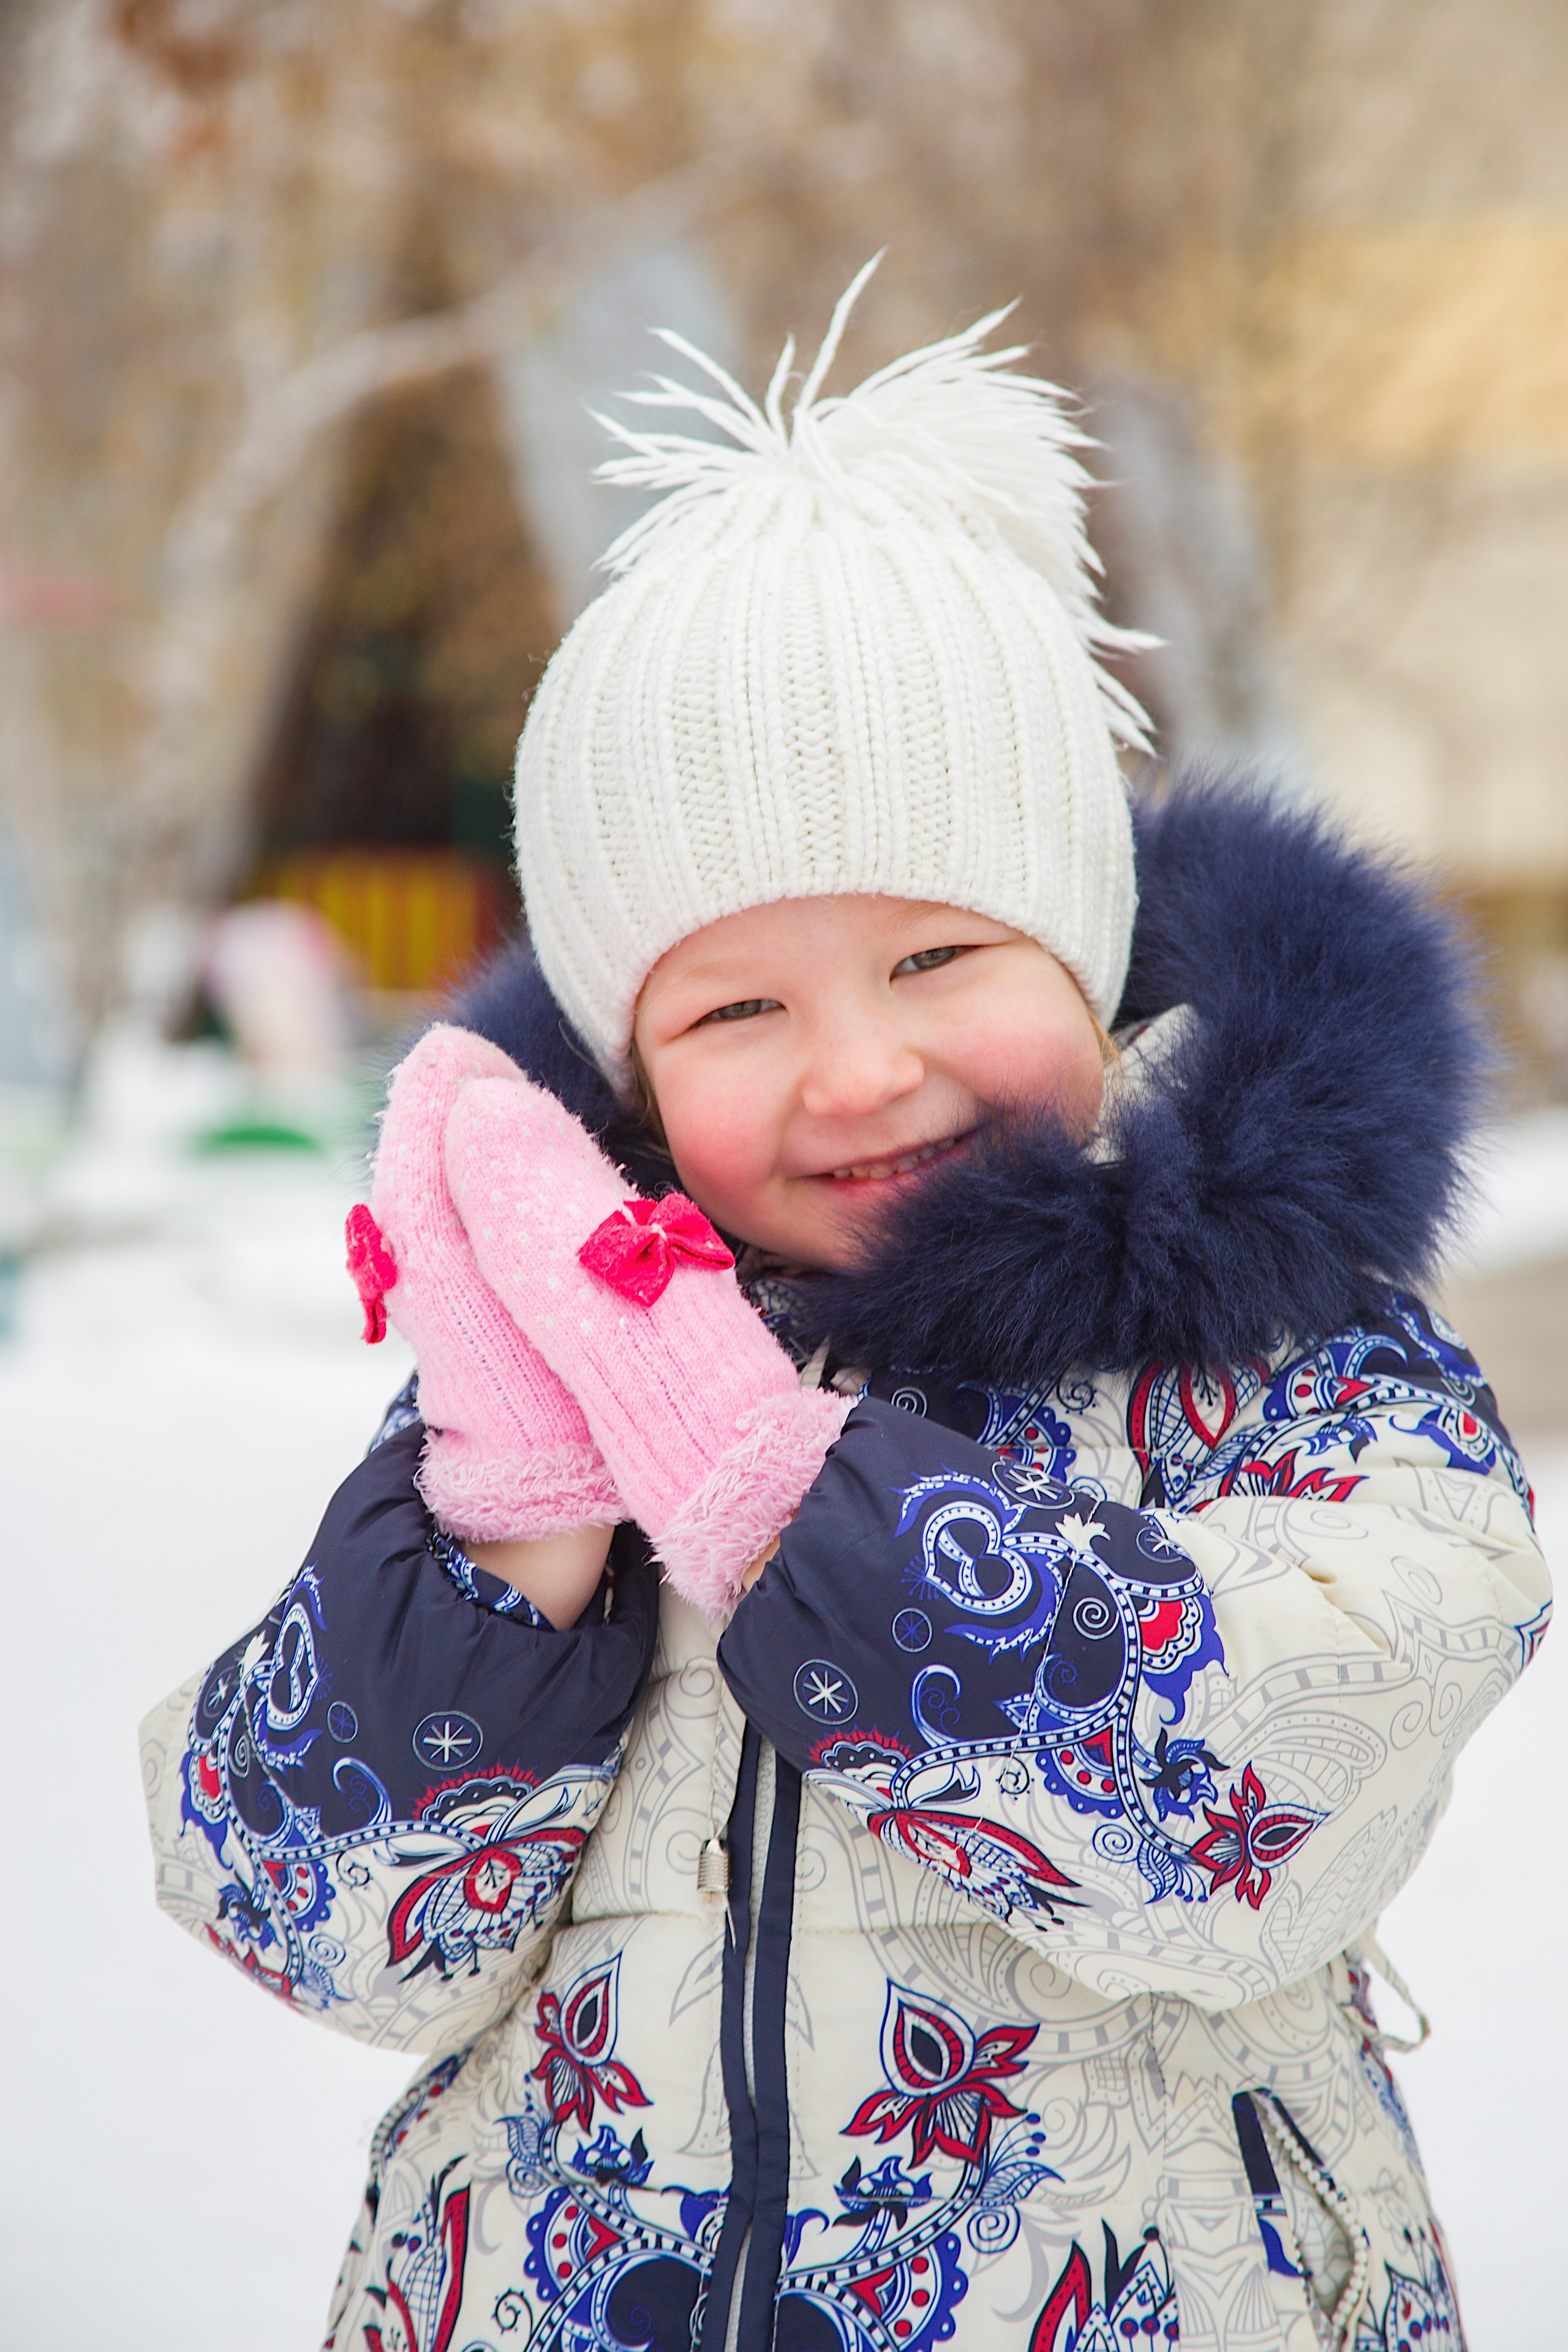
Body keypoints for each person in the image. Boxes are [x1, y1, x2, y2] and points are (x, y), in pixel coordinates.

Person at [141, 267, 1549, 2352]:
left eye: (934, 961)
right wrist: (518, 1518)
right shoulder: (564, 1402)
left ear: (1085, 954)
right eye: (734, 1006)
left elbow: (1253, 1807)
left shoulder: (1292, 1370)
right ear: (628, 1072)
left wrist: (771, 1486)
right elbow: (317, 1921)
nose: (858, 1071)